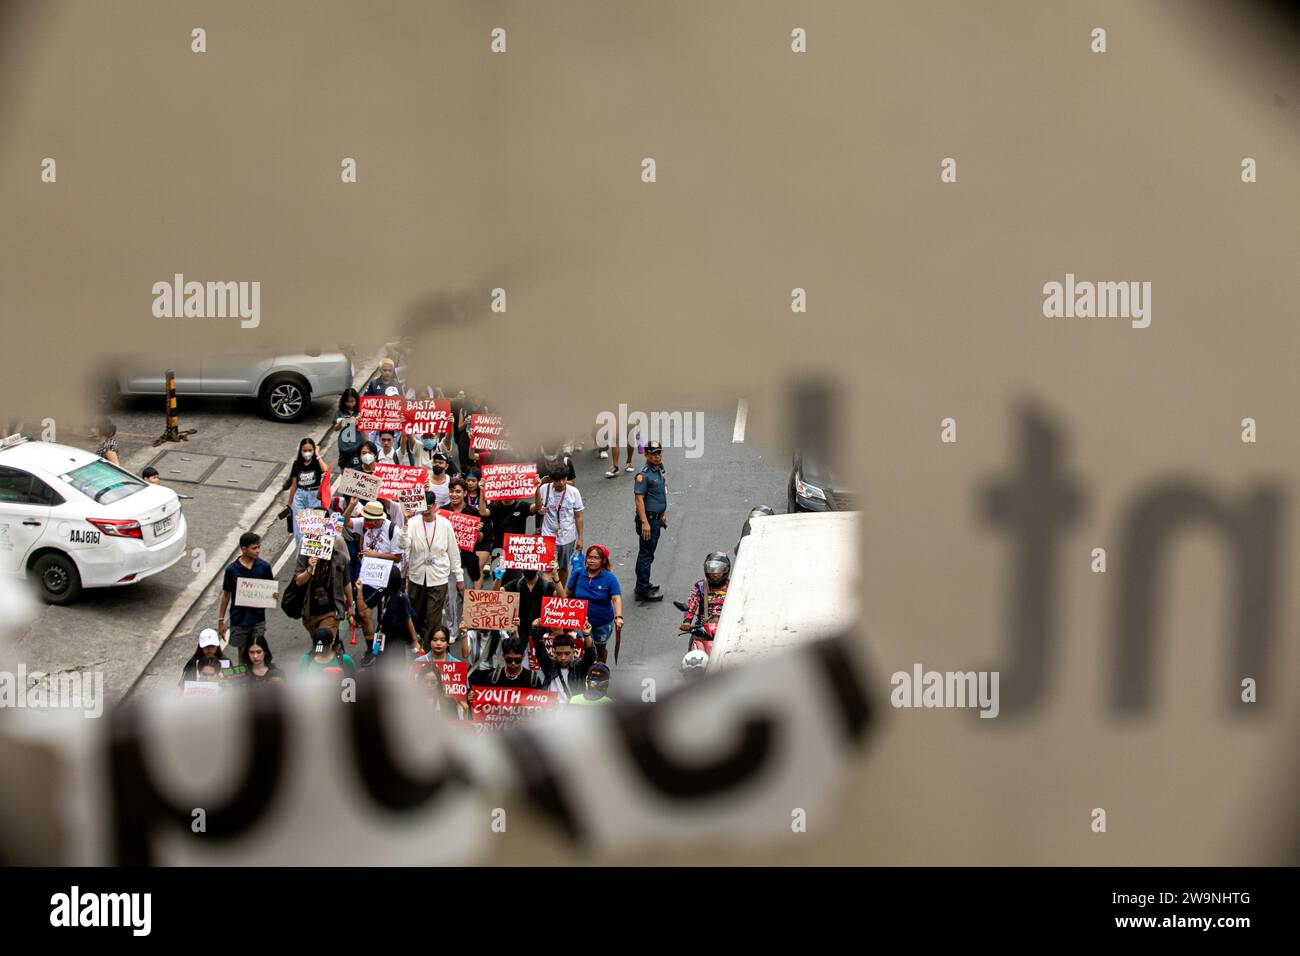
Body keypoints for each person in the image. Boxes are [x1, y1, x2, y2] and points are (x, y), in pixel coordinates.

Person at [398, 490, 464, 650]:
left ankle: (430, 650)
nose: (426, 510)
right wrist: (405, 524)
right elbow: (402, 545)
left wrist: (459, 576)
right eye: (423, 507)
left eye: (429, 506)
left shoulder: (445, 524)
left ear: (435, 506)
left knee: (434, 618)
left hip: (438, 576)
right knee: (417, 615)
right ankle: (420, 638)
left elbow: (453, 551)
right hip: (417, 576)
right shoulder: (412, 522)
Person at [343, 498, 404, 660]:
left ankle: (382, 648)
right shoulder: (363, 523)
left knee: (383, 617)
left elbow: (397, 557)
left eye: (369, 520)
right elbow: (345, 522)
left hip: (387, 578)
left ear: (378, 519)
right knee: (362, 613)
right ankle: (371, 648)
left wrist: (374, 555)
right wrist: (351, 505)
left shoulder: (393, 530)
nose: (366, 523)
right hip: (368, 575)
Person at [289, 527, 353, 641]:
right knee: (318, 645)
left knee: (323, 645)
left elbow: (346, 582)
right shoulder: (305, 551)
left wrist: (351, 605)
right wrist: (309, 569)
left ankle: (331, 650)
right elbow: (298, 581)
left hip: (331, 610)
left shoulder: (339, 552)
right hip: (311, 611)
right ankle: (336, 650)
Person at [218, 531, 277, 652]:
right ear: (244, 549)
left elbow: (270, 588)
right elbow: (226, 596)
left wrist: (273, 595)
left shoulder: (264, 567)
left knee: (257, 649)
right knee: (243, 652)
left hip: (258, 618)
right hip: (239, 619)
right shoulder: (231, 570)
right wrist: (221, 620)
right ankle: (243, 672)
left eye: (259, 547)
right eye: (254, 548)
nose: (258, 551)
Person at [566, 545, 623, 664]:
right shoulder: (578, 573)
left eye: (596, 558)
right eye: (589, 557)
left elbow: (616, 598)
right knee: (584, 650)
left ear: (603, 561)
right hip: (581, 621)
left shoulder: (610, 578)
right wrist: (556, 580)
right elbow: (566, 594)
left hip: (602, 623)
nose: (592, 560)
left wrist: (618, 617)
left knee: (599, 652)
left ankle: (600, 671)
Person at [498, 559, 566, 645]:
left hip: (541, 635)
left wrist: (555, 576)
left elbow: (562, 599)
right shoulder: (516, 584)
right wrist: (498, 575)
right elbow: (497, 595)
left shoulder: (547, 585)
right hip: (520, 634)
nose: (528, 569)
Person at [632, 440, 667, 602]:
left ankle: (644, 583)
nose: (657, 456)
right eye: (654, 454)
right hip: (649, 521)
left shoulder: (658, 469)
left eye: (659, 453)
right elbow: (639, 499)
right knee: (645, 555)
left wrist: (663, 513)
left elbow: (660, 493)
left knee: (649, 554)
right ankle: (642, 589)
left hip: (656, 519)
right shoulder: (643, 475)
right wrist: (645, 522)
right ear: (646, 455)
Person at [532, 465, 584, 573]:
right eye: (557, 480)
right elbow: (537, 507)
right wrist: (536, 488)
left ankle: (561, 590)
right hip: (548, 535)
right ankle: (551, 590)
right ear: (551, 479)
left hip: (567, 536)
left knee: (563, 568)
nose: (561, 482)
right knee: (548, 569)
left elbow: (578, 516)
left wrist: (580, 538)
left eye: (563, 479)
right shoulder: (543, 489)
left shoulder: (574, 492)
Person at [365, 563, 420, 663]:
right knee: (379, 660)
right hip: (381, 632)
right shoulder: (381, 592)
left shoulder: (401, 597)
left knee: (397, 661)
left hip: (397, 636)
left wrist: (415, 641)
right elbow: (366, 605)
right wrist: (360, 591)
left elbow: (408, 619)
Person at [530, 631, 598, 704]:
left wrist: (586, 635)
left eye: (567, 653)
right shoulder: (549, 666)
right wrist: (536, 628)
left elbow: (591, 656)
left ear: (574, 652)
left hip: (574, 710)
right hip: (551, 710)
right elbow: (539, 648)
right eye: (559, 654)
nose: (563, 657)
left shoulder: (579, 667)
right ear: (554, 653)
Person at [286, 437, 330, 544]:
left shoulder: (317, 463)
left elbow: (325, 470)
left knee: (314, 528)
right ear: (300, 451)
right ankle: (300, 554)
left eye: (310, 450)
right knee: (299, 528)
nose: (307, 453)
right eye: (304, 450)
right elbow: (294, 485)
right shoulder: (297, 464)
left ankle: (313, 555)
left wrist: (318, 454)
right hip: (300, 496)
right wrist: (289, 504)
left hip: (314, 496)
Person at [467, 635, 544, 690]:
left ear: (523, 656)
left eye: (517, 660)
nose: (513, 663)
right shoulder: (493, 678)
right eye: (509, 660)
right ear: (503, 656)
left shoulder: (532, 679)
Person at [680, 551, 731, 633]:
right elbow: (692, 603)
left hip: (727, 630)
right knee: (695, 644)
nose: (715, 574)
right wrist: (687, 622)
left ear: (725, 570)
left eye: (718, 570)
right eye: (712, 570)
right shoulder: (700, 586)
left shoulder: (733, 586)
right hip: (703, 630)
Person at [333, 388, 364, 473]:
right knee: (343, 468)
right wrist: (342, 421)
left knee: (357, 470)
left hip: (357, 447)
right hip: (343, 447)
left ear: (356, 400)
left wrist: (358, 421)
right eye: (347, 402)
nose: (350, 404)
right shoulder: (340, 412)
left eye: (352, 401)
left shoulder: (360, 412)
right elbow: (335, 428)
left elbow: (366, 427)